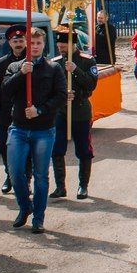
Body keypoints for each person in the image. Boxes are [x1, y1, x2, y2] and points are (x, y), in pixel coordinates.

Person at [0, 27, 67, 234]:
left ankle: (38, 217)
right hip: (19, 128)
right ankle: (24, 206)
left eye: (39, 43)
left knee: (40, 175)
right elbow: (5, 92)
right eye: (32, 43)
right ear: (27, 44)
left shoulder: (53, 68)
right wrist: (21, 74)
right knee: (15, 171)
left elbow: (61, 96)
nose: (35, 47)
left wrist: (40, 110)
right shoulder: (14, 66)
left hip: (43, 130)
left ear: (43, 45)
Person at [50, 29, 99, 200]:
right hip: (61, 112)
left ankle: (83, 186)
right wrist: (63, 96)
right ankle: (60, 187)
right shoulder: (55, 63)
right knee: (56, 149)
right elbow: (50, 88)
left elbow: (91, 85)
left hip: (80, 111)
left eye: (64, 44)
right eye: (59, 44)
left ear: (73, 44)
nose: (61, 47)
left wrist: (75, 70)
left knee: (84, 149)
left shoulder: (87, 60)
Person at [0, 25, 27, 195]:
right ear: (9, 42)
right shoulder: (1, 63)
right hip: (7, 113)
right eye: (15, 41)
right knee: (3, 146)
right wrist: (2, 103)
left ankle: (25, 178)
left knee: (26, 147)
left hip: (26, 112)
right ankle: (9, 176)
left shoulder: (32, 60)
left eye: (21, 40)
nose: (19, 43)